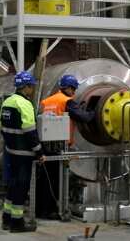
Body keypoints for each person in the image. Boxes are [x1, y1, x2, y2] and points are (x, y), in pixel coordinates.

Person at [37, 74, 95, 219]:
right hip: (58, 146)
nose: (74, 92)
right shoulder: (66, 101)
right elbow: (84, 117)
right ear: (68, 88)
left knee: (45, 179)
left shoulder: (47, 101)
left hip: (45, 144)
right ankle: (50, 211)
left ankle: (40, 209)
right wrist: (94, 111)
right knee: (56, 181)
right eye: (74, 89)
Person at [0, 71, 43, 233]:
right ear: (26, 87)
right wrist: (39, 152)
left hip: (11, 151)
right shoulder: (25, 104)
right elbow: (30, 131)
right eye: (31, 86)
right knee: (21, 187)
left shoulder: (7, 102)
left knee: (12, 184)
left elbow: (2, 128)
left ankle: (6, 219)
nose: (32, 89)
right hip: (24, 153)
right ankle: (17, 223)